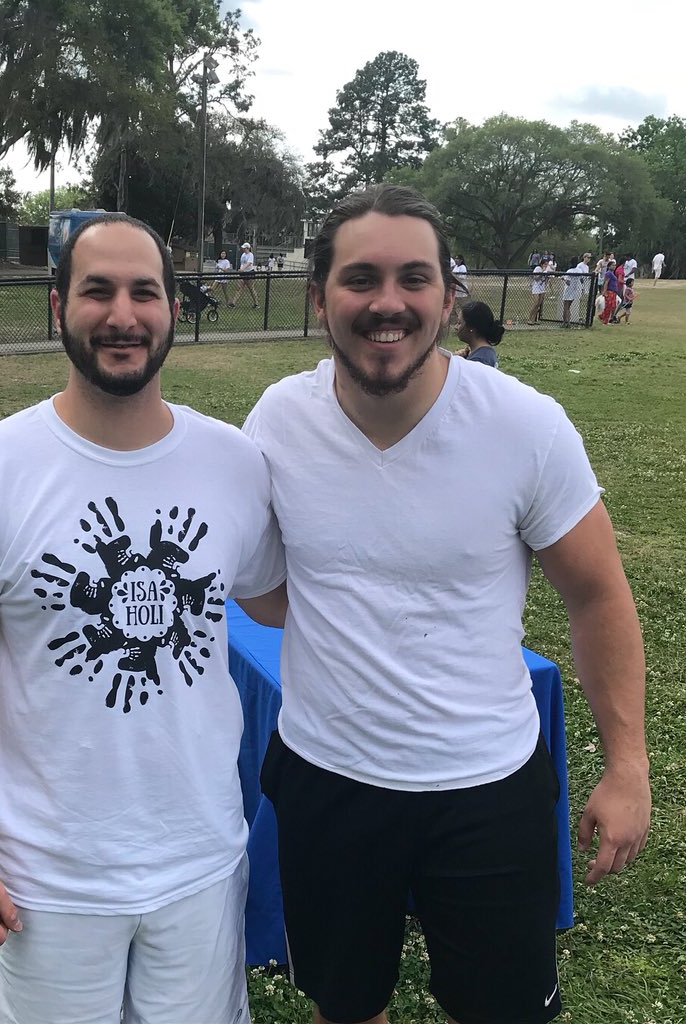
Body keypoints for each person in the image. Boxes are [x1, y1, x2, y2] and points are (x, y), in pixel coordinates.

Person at [243, 183, 650, 1024]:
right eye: (360, 278)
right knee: (345, 1007)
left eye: (414, 278)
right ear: (318, 297)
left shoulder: (524, 426)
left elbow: (597, 594)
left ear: (448, 298)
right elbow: (273, 595)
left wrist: (627, 766)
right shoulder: (279, 421)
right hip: (328, 778)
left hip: (487, 787)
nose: (387, 303)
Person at [0, 213, 286, 1024]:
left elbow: (275, 599)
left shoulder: (235, 463)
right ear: (57, 306)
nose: (122, 315)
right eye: (97, 291)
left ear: (174, 308)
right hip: (46, 879)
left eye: (145, 292)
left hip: (201, 861)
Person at [453, 299, 504, 367]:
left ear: (472, 328)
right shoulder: (483, 353)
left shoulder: (480, 360)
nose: (455, 327)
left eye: (459, 323)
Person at [229, 242, 259, 307]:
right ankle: (233, 303)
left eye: (244, 248)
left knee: (251, 289)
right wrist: (240, 269)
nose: (243, 249)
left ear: (247, 248)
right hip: (242, 273)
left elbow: (248, 263)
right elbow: (242, 264)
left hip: (249, 273)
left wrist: (242, 269)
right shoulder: (243, 255)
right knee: (239, 288)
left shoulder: (250, 255)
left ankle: (256, 303)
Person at [527, 256, 550, 324]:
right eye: (545, 264)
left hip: (542, 288)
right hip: (536, 287)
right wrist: (541, 274)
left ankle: (534, 319)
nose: (546, 266)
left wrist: (547, 277)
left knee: (539, 304)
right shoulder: (538, 268)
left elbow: (545, 281)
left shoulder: (546, 270)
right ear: (542, 264)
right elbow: (535, 278)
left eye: (547, 264)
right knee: (536, 303)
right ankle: (530, 318)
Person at [600, 259, 619, 324]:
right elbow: (606, 283)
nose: (614, 266)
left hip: (614, 291)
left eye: (615, 265)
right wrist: (604, 291)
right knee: (608, 306)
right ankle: (605, 320)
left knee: (613, 306)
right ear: (609, 266)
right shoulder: (608, 273)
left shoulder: (612, 273)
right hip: (609, 291)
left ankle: (602, 316)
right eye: (612, 265)